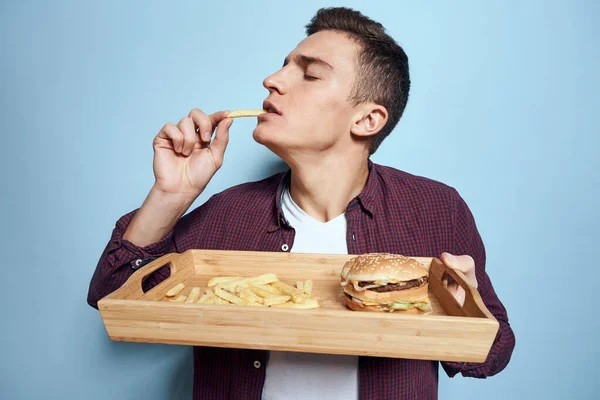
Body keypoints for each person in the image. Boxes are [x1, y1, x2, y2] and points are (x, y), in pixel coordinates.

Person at [87, 7, 515, 400]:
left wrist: (465, 315)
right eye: (284, 64)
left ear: (367, 119)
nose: (272, 80)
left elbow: (494, 351)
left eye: (309, 75)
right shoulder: (228, 213)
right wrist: (171, 195)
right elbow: (111, 297)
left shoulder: (436, 209)